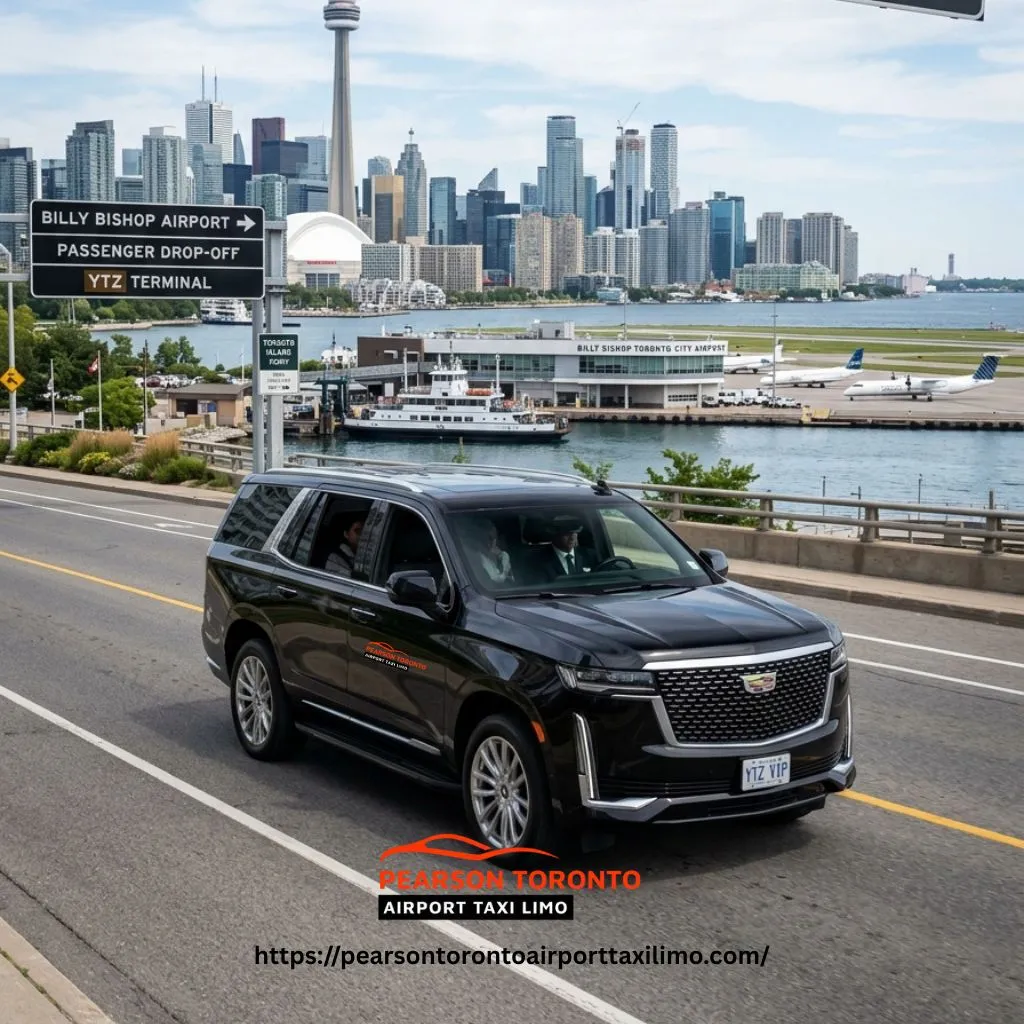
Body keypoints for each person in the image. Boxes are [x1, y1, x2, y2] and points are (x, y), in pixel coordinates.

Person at [533, 515, 593, 581]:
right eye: (567, 533)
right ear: (554, 534)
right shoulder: (538, 561)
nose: (572, 538)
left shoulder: (590, 555)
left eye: (575, 532)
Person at [324, 512, 365, 577]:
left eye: (365, 531)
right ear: (346, 534)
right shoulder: (335, 558)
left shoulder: (365, 554)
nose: (362, 535)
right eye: (357, 531)